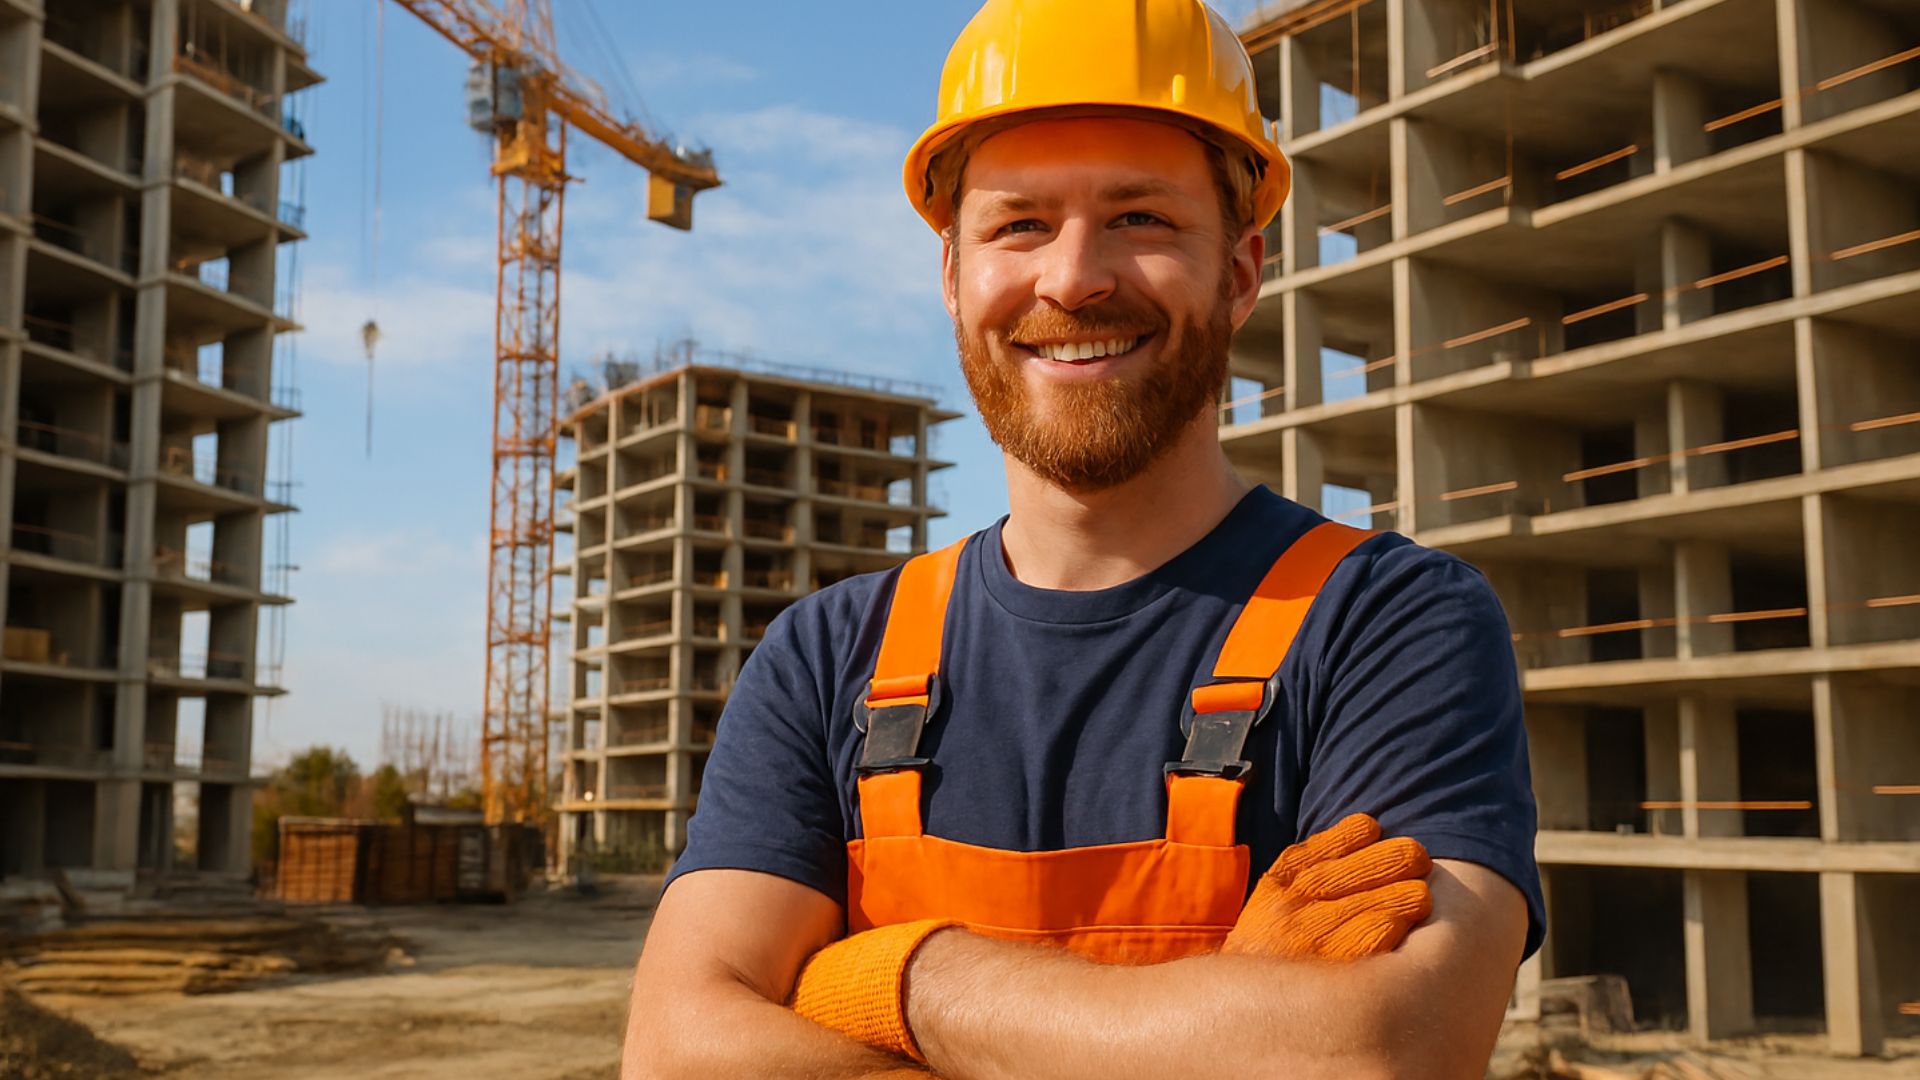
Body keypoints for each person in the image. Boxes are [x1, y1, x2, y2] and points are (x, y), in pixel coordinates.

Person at [624, 1, 1543, 1076]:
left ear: (1242, 273)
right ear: (954, 278)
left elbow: (1387, 1048)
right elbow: (679, 1051)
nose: (1072, 278)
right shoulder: (828, 660)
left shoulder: (1389, 627)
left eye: (1141, 218)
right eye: (1018, 224)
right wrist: (1225, 1031)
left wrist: (887, 980)